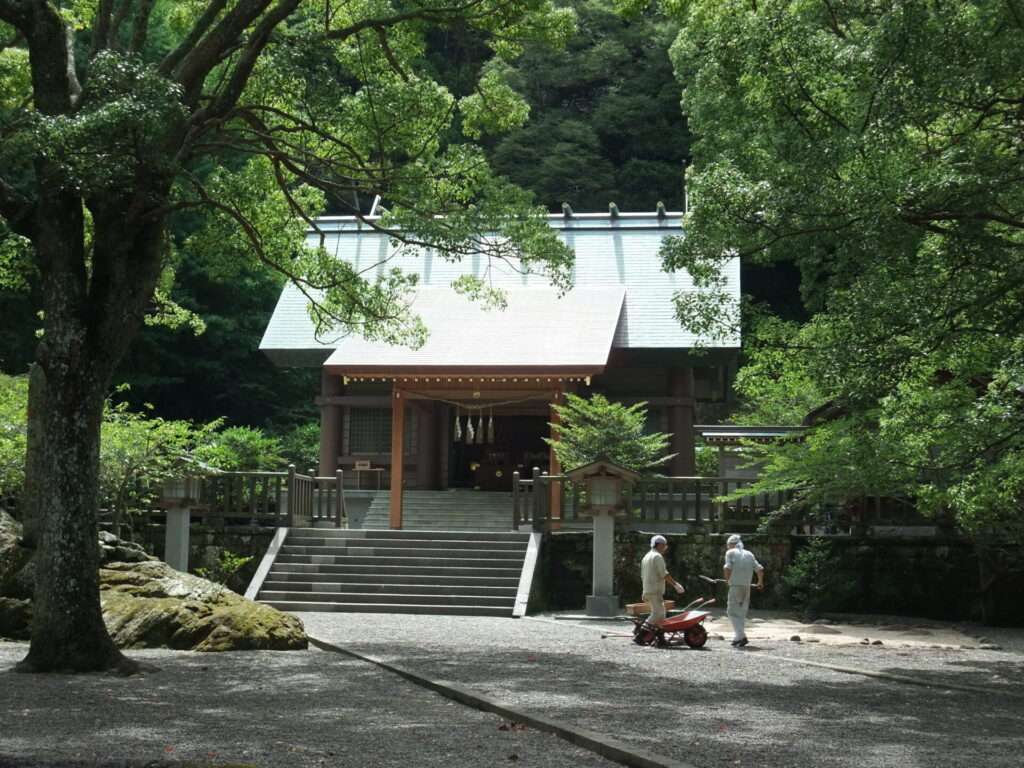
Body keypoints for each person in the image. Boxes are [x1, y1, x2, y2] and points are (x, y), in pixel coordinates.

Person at [723, 533, 764, 647]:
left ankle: (742, 636)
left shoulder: (730, 553)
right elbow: (759, 569)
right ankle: (737, 638)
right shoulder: (749, 554)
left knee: (731, 612)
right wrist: (760, 582)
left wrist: (727, 580)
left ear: (732, 544)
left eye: (728, 545)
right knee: (741, 613)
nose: (727, 547)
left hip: (735, 586)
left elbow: (727, 567)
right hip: (747, 586)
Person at [641, 534, 685, 625]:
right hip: (654, 590)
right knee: (657, 614)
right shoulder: (657, 556)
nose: (665, 548)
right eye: (665, 545)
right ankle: (643, 632)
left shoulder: (647, 556)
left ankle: (659, 635)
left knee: (662, 614)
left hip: (648, 589)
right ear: (660, 545)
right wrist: (676, 585)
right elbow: (664, 574)